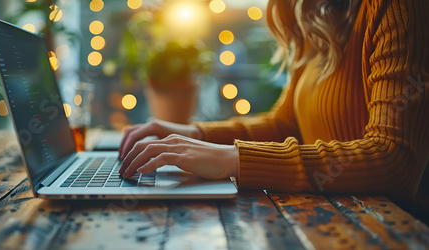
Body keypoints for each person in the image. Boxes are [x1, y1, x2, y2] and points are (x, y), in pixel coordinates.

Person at [118, 0, 429, 198]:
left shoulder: (398, 7)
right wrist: (196, 135)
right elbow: (285, 125)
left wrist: (233, 159)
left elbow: (394, 157)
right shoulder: (316, 10)